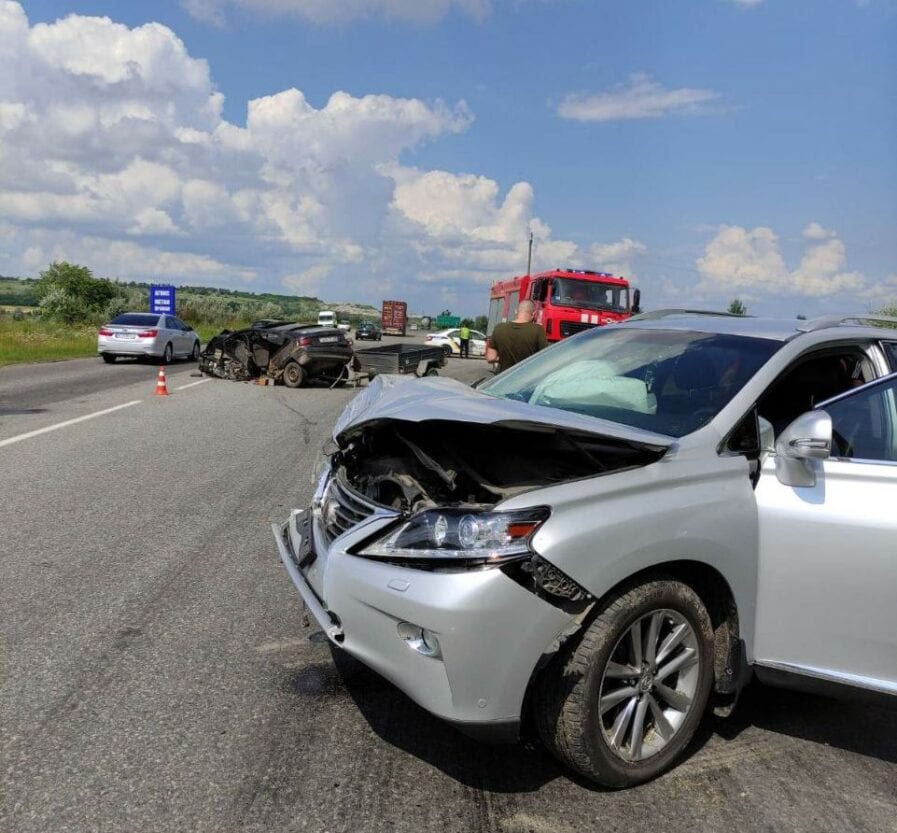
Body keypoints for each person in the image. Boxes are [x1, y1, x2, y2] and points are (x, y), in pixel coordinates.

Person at [485, 300, 548, 373]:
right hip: (526, 378)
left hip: (503, 378)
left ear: (516, 311)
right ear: (534, 314)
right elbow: (545, 357)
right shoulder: (538, 330)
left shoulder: (499, 328)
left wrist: (504, 358)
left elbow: (490, 358)